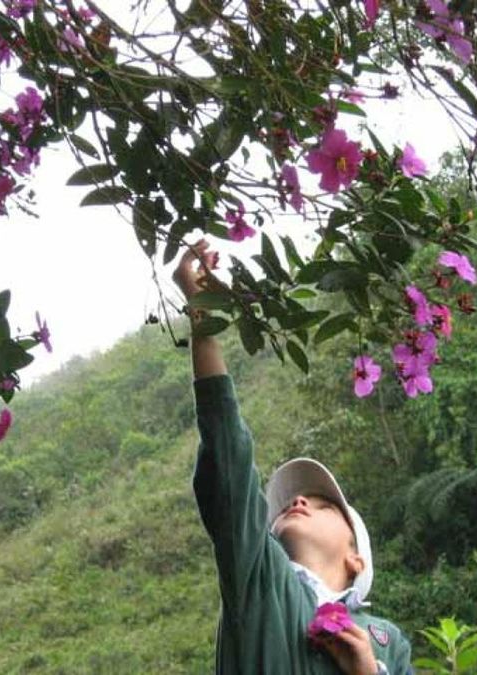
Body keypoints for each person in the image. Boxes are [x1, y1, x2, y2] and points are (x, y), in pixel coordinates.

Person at [174, 240, 413, 674]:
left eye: (323, 505)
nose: (298, 501)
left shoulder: (387, 640)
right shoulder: (260, 577)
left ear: (356, 559)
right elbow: (229, 459)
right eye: (292, 501)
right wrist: (202, 314)